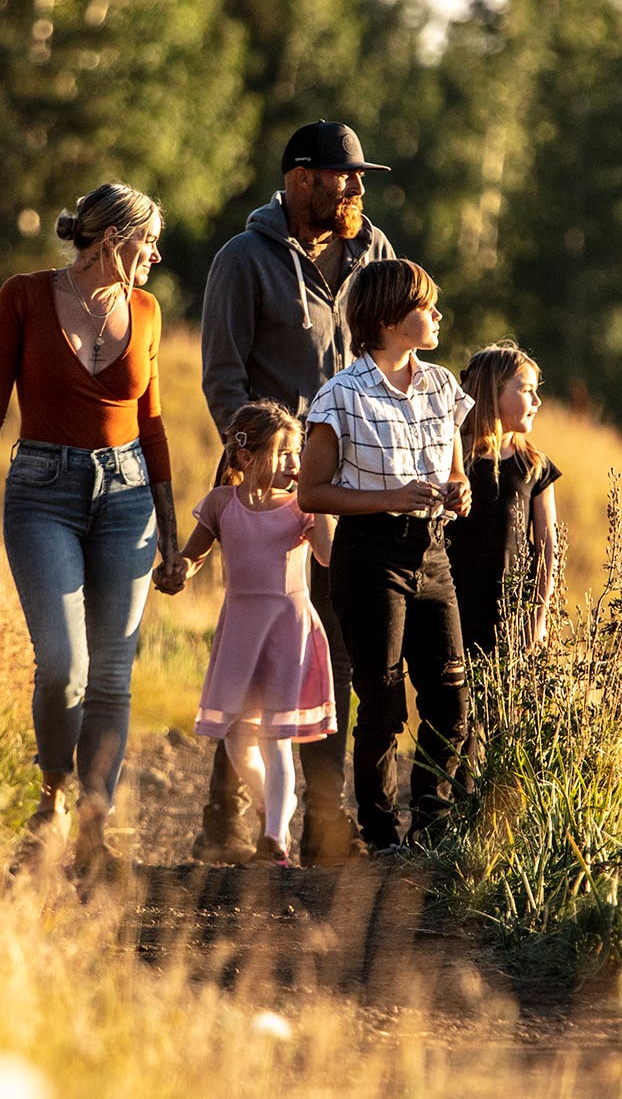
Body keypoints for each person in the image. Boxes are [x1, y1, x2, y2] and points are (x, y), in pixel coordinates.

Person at [0, 183, 186, 875]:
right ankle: (51, 796)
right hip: (42, 493)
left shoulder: (145, 311)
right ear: (113, 238)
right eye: (147, 242)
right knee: (64, 665)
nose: (155, 255)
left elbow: (151, 423)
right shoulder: (23, 296)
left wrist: (172, 533)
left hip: (127, 499)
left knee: (113, 674)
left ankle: (93, 828)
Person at [194, 120, 397, 864]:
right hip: (274, 496)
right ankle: (222, 827)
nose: (358, 187)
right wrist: (258, 471)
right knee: (257, 658)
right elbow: (222, 375)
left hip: (354, 491)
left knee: (331, 655)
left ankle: (325, 826)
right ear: (301, 178)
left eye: (360, 176)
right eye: (346, 174)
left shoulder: (375, 253)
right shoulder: (242, 261)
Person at [297, 259, 473, 853]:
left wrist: (461, 490)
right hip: (370, 557)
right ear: (389, 319)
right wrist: (390, 497)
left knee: (450, 697)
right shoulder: (339, 396)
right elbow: (311, 491)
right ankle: (381, 835)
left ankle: (433, 827)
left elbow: (454, 473)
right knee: (383, 701)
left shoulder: (445, 385)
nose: (437, 315)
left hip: (434, 554)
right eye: (426, 306)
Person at [168, 400, 336, 867]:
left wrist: (320, 505)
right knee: (238, 739)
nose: (295, 465)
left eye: (297, 455)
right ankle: (273, 806)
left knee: (275, 737)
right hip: (241, 632)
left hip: (287, 632)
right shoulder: (222, 503)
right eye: (284, 454)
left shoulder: (301, 507)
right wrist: (177, 568)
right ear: (245, 458)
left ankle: (275, 841)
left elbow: (325, 556)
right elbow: (193, 555)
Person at [448, 342, 563, 662]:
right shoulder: (451, 458)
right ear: (491, 392)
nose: (537, 401)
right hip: (454, 608)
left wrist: (538, 619)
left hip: (512, 614)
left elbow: (547, 547)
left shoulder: (533, 464)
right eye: (526, 390)